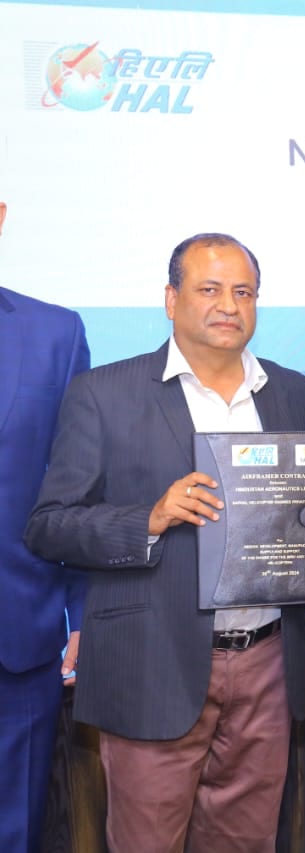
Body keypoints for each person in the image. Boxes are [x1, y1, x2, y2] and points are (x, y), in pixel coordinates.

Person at [23, 233, 305, 852]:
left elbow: (298, 512)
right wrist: (149, 518)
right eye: (210, 289)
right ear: (171, 300)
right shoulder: (104, 392)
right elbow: (50, 524)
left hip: (268, 662)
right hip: (154, 664)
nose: (229, 305)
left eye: (244, 292)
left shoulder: (289, 390)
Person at [0, 200, 90, 853]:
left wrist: (83, 612)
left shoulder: (55, 333)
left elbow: (79, 485)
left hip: (19, 636)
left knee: (17, 828)